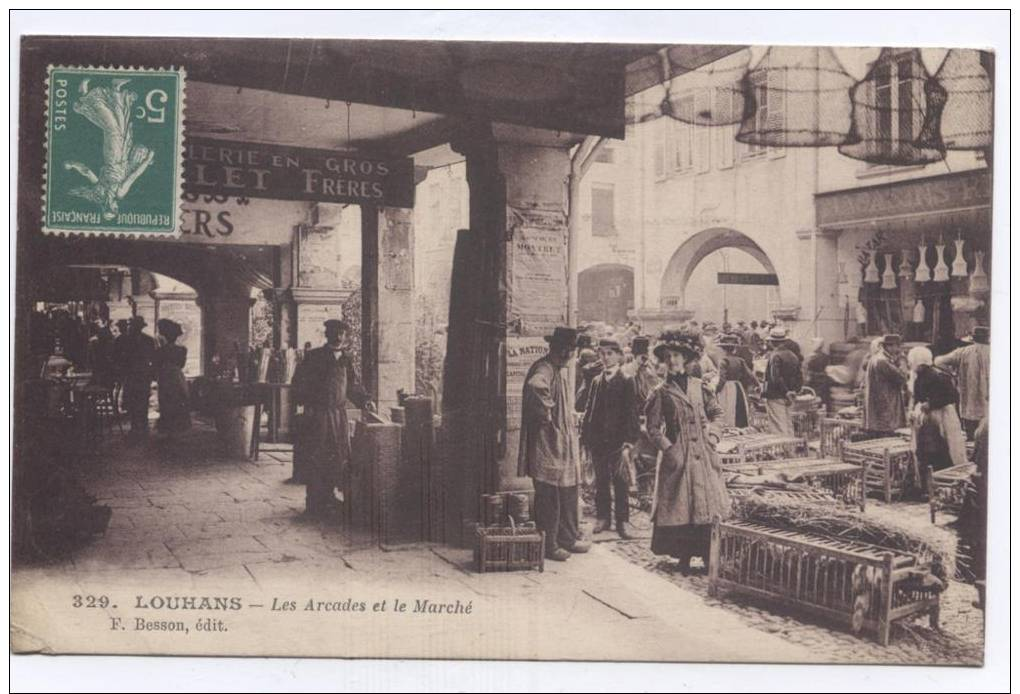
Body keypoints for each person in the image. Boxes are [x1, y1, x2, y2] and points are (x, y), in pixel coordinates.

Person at [645, 329, 730, 575]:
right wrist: (669, 450)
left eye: (677, 356)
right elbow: (652, 428)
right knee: (680, 506)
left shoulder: (699, 386)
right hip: (678, 457)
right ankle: (683, 557)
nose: (673, 361)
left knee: (706, 504)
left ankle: (706, 555)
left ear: (686, 358)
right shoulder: (660, 392)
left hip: (703, 453)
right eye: (668, 356)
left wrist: (713, 435)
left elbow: (717, 413)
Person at [517, 326, 590, 561]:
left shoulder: (558, 370)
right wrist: (547, 414)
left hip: (562, 445)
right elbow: (536, 386)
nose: (572, 355)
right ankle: (549, 545)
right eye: (570, 351)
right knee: (549, 495)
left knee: (568, 492)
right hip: (547, 445)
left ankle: (567, 539)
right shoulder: (544, 368)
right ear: (564, 351)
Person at [292, 319, 376, 519]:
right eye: (335, 333)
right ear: (327, 334)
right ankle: (314, 503)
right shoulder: (314, 357)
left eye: (342, 334)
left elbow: (353, 386)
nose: (339, 338)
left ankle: (329, 498)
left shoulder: (346, 359)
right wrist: (308, 406)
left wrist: (365, 401)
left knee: (337, 456)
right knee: (317, 456)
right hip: (318, 415)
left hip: (338, 416)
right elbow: (299, 384)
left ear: (345, 336)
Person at [581, 338, 641, 539]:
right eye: (602, 354)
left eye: (610, 353)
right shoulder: (597, 381)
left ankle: (622, 521)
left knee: (620, 481)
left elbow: (631, 413)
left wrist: (628, 442)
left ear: (619, 356)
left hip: (618, 441)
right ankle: (603, 517)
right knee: (601, 480)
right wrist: (586, 438)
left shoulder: (626, 380)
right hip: (598, 440)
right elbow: (590, 410)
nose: (605, 358)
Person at [908, 346, 967, 471]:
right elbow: (918, 397)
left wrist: (932, 404)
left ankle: (947, 469)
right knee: (928, 445)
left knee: (947, 444)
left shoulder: (939, 376)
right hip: (928, 416)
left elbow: (952, 396)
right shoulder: (919, 377)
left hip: (943, 415)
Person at [935, 326, 990, 440]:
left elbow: (938, 361)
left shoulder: (963, 352)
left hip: (968, 398)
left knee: (971, 435)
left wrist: (953, 373)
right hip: (988, 400)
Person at [863, 334, 908, 436]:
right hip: (885, 409)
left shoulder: (876, 358)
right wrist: (902, 360)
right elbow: (902, 377)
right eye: (898, 346)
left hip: (878, 408)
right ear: (890, 346)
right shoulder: (883, 361)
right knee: (886, 441)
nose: (899, 349)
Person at [154, 319, 192, 437]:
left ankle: (168, 427)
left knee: (166, 401)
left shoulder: (160, 351)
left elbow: (157, 364)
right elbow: (181, 365)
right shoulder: (182, 350)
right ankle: (177, 427)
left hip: (165, 376)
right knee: (178, 400)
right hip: (176, 376)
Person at [761, 327, 802, 436]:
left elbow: (775, 378)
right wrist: (793, 391)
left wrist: (785, 392)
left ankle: (782, 451)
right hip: (790, 395)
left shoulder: (775, 356)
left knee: (778, 425)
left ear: (772, 342)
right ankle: (791, 450)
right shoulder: (793, 356)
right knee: (788, 423)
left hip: (776, 395)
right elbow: (799, 376)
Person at [121, 316, 157, 439]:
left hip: (143, 374)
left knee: (143, 399)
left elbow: (153, 358)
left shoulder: (148, 340)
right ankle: (134, 426)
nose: (133, 329)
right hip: (130, 373)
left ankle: (143, 425)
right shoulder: (124, 340)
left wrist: (152, 373)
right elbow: (119, 357)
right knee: (131, 399)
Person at [715, 333, 759, 428]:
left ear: (723, 349)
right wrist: (758, 384)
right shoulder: (740, 360)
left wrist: (716, 390)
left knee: (728, 407)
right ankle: (740, 426)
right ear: (734, 349)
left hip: (727, 388)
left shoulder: (723, 361)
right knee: (739, 406)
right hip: (738, 386)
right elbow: (750, 375)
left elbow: (722, 379)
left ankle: (730, 427)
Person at [803, 337, 832, 409]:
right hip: (823, 379)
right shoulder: (826, 356)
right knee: (823, 398)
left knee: (814, 398)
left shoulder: (810, 357)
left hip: (814, 380)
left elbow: (806, 369)